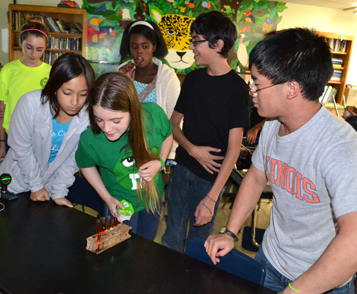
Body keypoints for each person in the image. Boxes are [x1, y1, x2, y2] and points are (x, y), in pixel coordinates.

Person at [206, 28, 357, 294]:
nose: (250, 90)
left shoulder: (340, 146)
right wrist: (230, 231)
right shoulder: (273, 124)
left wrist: (295, 293)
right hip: (271, 260)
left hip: (321, 286)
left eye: (257, 84)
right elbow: (255, 176)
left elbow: (354, 240)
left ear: (291, 88)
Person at [161, 11, 249, 253]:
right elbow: (173, 123)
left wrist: (212, 197)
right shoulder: (192, 79)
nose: (191, 47)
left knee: (198, 246)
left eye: (196, 40)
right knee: (171, 237)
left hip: (210, 181)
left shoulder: (237, 88)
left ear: (218, 44)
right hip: (182, 171)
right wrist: (193, 150)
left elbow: (233, 150)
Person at [75, 72, 173, 241]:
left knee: (145, 246)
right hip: (118, 205)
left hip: (152, 200)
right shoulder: (90, 139)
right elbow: (85, 165)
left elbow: (167, 136)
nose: (106, 128)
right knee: (117, 252)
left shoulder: (154, 115)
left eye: (116, 121)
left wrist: (160, 161)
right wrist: (106, 197)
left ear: (132, 111)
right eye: (99, 119)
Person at [0, 53, 95, 206]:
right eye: (67, 93)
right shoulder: (29, 104)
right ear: (55, 87)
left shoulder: (86, 116)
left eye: (83, 94)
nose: (75, 102)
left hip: (50, 185)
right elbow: (21, 149)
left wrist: (59, 192)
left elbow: (72, 159)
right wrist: (36, 186)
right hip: (18, 181)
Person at [0, 22, 52, 168]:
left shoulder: (51, 72)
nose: (33, 54)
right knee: (12, 182)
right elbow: (1, 111)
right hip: (12, 136)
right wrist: (1, 145)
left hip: (40, 137)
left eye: (39, 49)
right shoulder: (8, 70)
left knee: (36, 182)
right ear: (20, 42)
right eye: (28, 47)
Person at [118, 20, 180, 160]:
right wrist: (121, 80)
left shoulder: (168, 78)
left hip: (156, 153)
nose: (139, 52)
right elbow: (111, 111)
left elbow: (173, 122)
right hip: (123, 151)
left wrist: (168, 160)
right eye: (134, 47)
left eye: (145, 46)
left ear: (154, 47)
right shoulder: (122, 72)